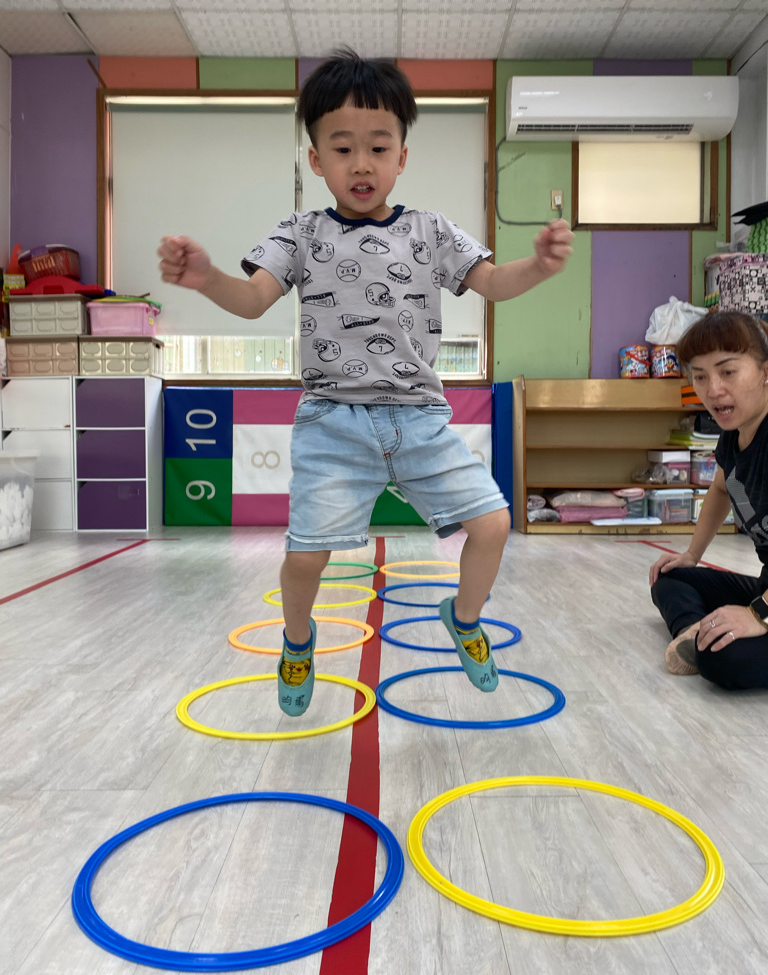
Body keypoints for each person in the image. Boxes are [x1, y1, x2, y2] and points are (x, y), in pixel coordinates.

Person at [158, 50, 573, 716]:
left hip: (419, 420)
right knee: (305, 557)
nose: (361, 164)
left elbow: (495, 283)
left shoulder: (430, 230)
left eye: (378, 148)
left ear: (401, 156)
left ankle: (464, 618)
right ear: (315, 159)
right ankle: (298, 641)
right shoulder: (300, 233)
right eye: (342, 148)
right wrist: (206, 278)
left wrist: (541, 266)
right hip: (333, 421)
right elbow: (254, 299)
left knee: (494, 523)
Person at [650, 311, 768, 689]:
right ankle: (694, 633)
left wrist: (760, 614)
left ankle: (707, 643)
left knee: (723, 660)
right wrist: (692, 555)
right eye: (700, 376)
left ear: (765, 371)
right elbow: (720, 488)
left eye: (727, 371)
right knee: (671, 577)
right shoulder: (733, 435)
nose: (713, 389)